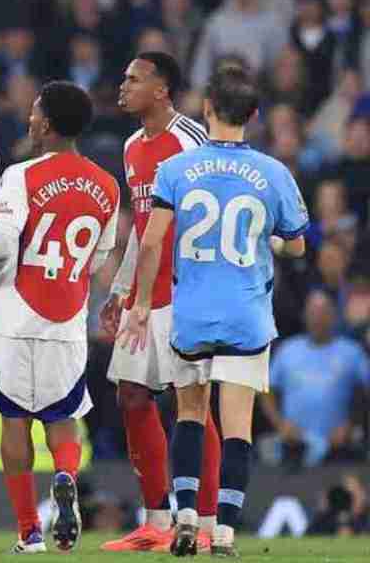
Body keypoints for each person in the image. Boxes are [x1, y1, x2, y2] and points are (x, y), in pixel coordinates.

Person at [118, 64, 309, 558]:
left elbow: (153, 240)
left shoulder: (177, 169)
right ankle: (222, 533)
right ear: (254, 114)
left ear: (207, 109)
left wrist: (140, 305)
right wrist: (270, 241)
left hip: (192, 310)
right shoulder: (273, 172)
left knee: (190, 413)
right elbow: (298, 246)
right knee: (239, 423)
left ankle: (184, 517)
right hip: (247, 312)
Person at [0, 80, 119, 554]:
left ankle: (29, 533)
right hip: (67, 318)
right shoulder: (107, 186)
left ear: (50, 123)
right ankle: (64, 475)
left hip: (16, 315)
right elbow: (99, 259)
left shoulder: (20, 175)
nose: (30, 118)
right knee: (63, 419)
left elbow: (1, 247)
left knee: (14, 421)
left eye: (36, 112)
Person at [100, 52, 221, 554]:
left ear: (162, 89)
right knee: (131, 394)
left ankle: (208, 522)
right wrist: (120, 288)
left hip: (188, 290)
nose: (123, 86)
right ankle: (155, 519)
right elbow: (144, 226)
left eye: (134, 79)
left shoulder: (190, 140)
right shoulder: (131, 147)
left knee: (192, 403)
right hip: (145, 295)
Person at [259, 290, 370, 467]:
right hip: (294, 446)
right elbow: (266, 390)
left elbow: (366, 391)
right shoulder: (288, 350)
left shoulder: (351, 351)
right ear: (304, 316)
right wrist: (280, 424)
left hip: (338, 447)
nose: (318, 319)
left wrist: (352, 424)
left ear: (334, 315)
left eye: (323, 312)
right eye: (313, 313)